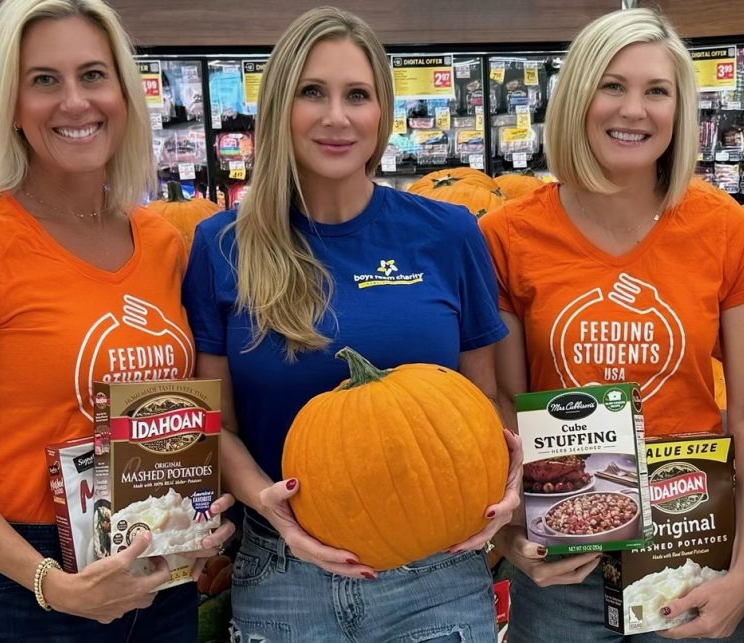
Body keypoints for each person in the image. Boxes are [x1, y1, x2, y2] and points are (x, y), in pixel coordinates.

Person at [181, 6, 520, 642]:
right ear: (281, 106)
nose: (337, 117)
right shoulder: (222, 245)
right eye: (313, 92)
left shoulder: (448, 234)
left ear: (382, 112)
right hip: (283, 571)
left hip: (437, 570)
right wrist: (273, 512)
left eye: (357, 95)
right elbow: (215, 426)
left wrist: (510, 471)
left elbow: (484, 397)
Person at [479, 7, 744, 642]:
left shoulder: (727, 231)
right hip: (566, 561)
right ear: (577, 98)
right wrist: (512, 535)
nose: (634, 110)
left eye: (657, 91)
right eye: (612, 85)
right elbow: (503, 403)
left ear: (680, 110)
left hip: (697, 549)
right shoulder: (507, 236)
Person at [0, 1, 234, 641]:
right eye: (44, 80)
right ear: (8, 101)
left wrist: (209, 515)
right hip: (26, 584)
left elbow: (192, 411)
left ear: (124, 92)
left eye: (93, 75)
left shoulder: (166, 244)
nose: (74, 102)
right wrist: (51, 584)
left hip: (159, 570)